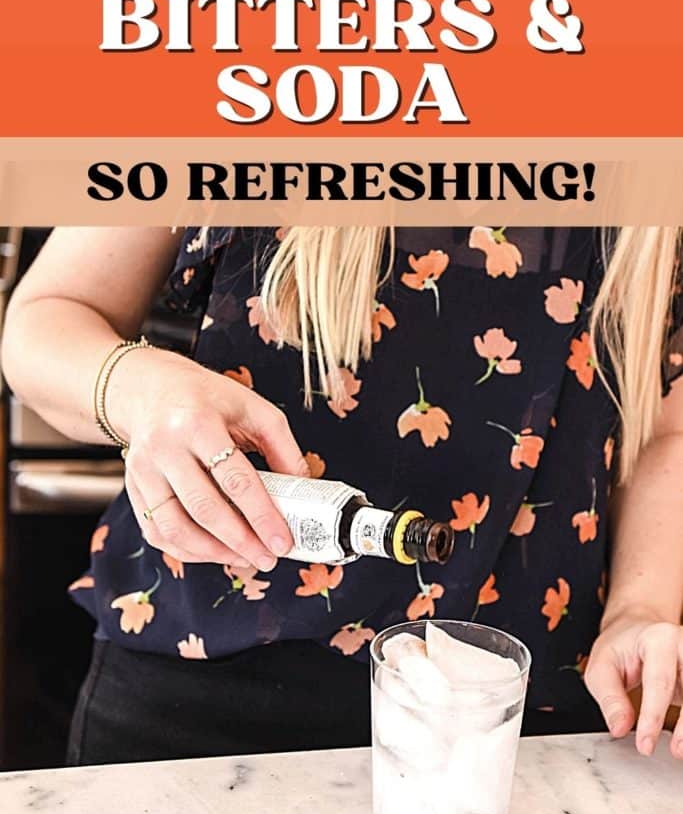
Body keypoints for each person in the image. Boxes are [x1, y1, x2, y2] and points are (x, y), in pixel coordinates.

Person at [2, 226, 682, 766]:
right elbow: (47, 319)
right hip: (203, 690)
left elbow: (665, 428)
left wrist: (640, 607)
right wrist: (140, 391)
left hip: (522, 715)